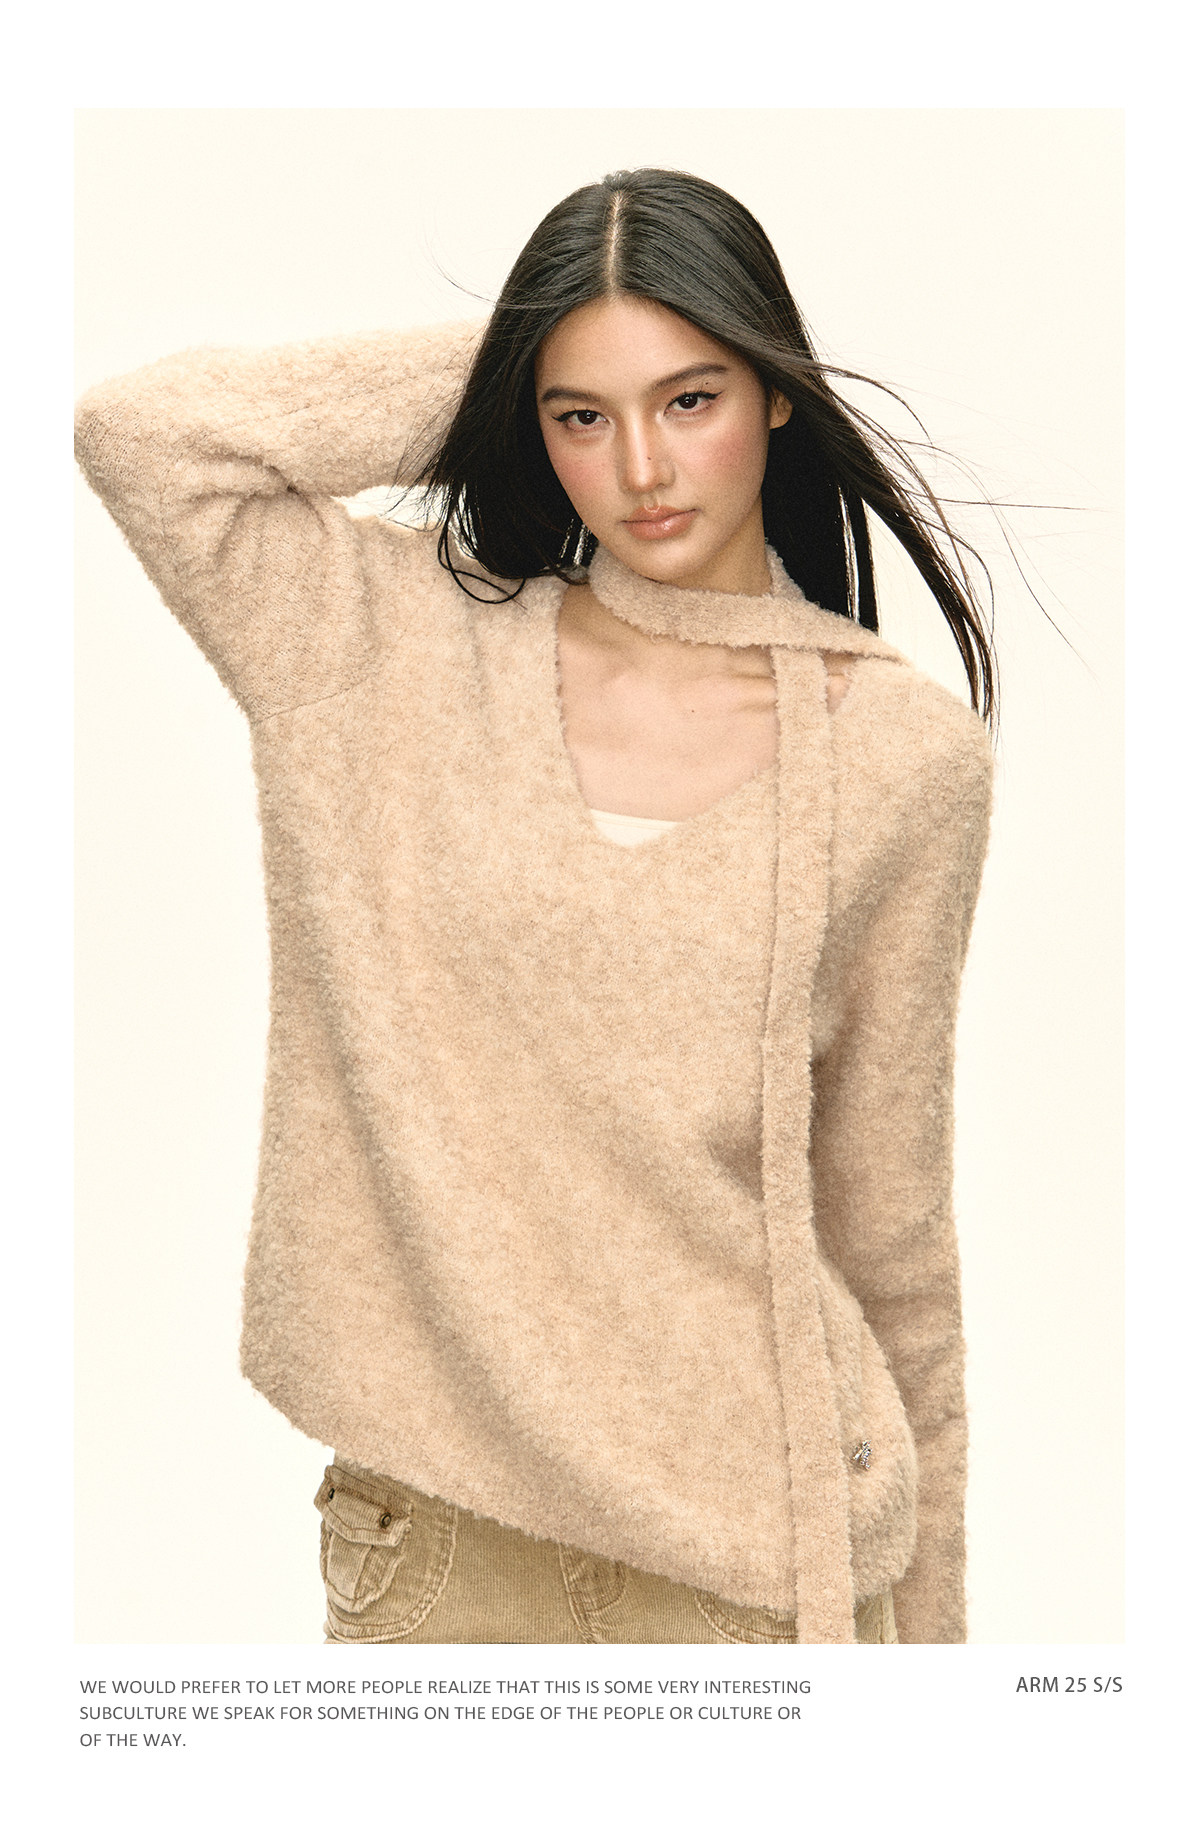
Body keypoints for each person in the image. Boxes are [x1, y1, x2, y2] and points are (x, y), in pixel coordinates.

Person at [75, 167, 995, 1646]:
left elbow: (892, 1238)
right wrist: (532, 340)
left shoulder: (902, 759)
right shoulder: (381, 647)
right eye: (581, 416)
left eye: (690, 398)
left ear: (775, 391)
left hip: (755, 1563)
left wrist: (943, 1672)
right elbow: (148, 438)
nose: (641, 465)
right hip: (441, 1557)